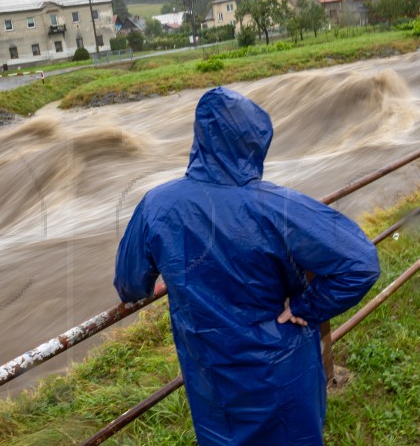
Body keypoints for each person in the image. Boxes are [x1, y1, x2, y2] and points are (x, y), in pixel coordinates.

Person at [114, 86, 380, 445]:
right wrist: (307, 306)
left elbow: (130, 285)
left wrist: (165, 280)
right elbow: (360, 262)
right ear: (255, 143)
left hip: (212, 378)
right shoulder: (278, 206)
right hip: (284, 372)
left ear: (201, 138)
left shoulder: (156, 206)